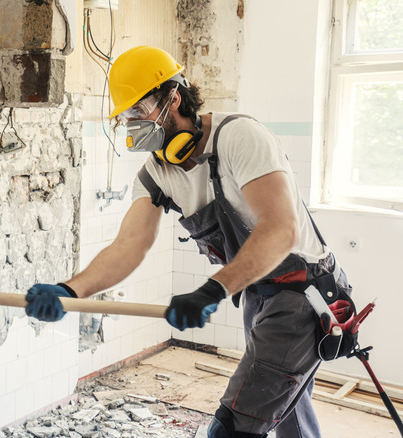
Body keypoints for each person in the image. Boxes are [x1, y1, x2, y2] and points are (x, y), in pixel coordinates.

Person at [24, 46, 353, 438]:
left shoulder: (239, 138)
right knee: (288, 410)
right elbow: (129, 245)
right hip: (259, 296)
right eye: (124, 117)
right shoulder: (157, 173)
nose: (131, 123)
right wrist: (69, 290)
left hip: (304, 295)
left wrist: (212, 290)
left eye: (138, 111)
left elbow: (281, 230)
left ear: (173, 98)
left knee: (233, 428)